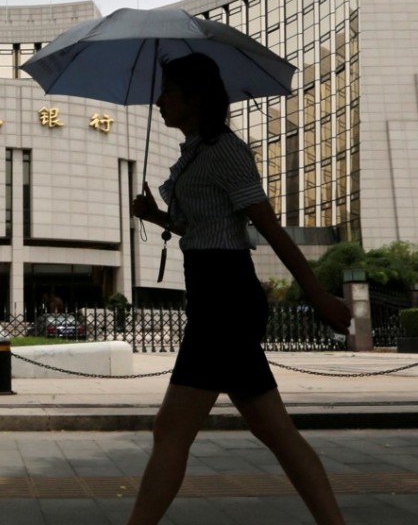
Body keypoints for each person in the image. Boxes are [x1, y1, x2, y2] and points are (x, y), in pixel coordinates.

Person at [129, 52, 352, 525]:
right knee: (273, 430)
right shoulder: (194, 154)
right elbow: (200, 227)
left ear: (195, 99)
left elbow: (268, 228)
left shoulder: (225, 151)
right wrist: (155, 216)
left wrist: (316, 295)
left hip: (226, 298)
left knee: (172, 429)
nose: (160, 100)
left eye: (169, 91)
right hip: (214, 295)